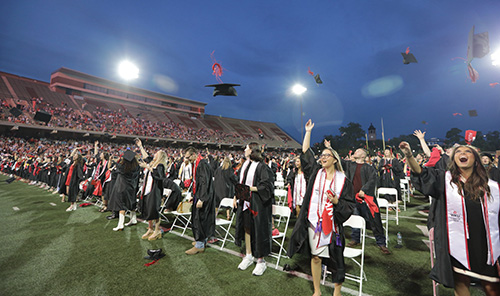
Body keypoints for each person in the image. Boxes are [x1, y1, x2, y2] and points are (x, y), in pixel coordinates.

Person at [400, 141, 500, 295]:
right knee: (461, 283)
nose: (462, 154)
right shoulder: (444, 180)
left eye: (467, 151)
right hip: (458, 243)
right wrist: (409, 155)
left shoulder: (492, 187)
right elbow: (422, 173)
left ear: (476, 159)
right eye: (458, 152)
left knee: (492, 287)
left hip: (486, 245)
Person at [288, 119, 355, 296]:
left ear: (334, 160)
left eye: (327, 155)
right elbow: (305, 152)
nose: (323, 157)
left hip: (333, 225)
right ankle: (317, 290)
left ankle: (337, 291)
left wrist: (336, 202)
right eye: (322, 155)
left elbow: (349, 205)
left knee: (336, 258)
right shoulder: (315, 174)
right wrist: (308, 131)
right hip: (313, 223)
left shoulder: (343, 181)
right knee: (316, 257)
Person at [326, 141, 390, 255]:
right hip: (352, 198)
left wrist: (364, 190)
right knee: (355, 218)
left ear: (363, 156)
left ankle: (381, 243)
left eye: (358, 151)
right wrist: (330, 147)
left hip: (366, 199)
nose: (355, 151)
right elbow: (338, 160)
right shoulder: (350, 165)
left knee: (374, 220)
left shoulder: (369, 168)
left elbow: (372, 180)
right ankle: (355, 239)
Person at [233, 142, 274, 276]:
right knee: (247, 227)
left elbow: (266, 187)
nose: (244, 149)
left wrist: (249, 189)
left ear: (252, 151)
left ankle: (261, 261)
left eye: (247, 148)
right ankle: (249, 255)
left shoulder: (262, 167)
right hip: (245, 201)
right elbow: (240, 182)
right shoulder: (244, 165)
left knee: (258, 229)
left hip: (258, 203)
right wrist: (236, 196)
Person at [184, 146, 216, 255]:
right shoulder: (197, 164)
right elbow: (196, 181)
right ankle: (202, 241)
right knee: (199, 219)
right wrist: (194, 195)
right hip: (199, 195)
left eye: (188, 157)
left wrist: (201, 199)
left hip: (204, 196)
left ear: (194, 154)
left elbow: (204, 183)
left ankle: (200, 244)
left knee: (200, 220)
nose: (187, 160)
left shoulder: (202, 164)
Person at [107, 150, 140, 231]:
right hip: (132, 187)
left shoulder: (122, 167)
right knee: (132, 203)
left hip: (122, 187)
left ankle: (120, 224)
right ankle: (133, 219)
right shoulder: (137, 167)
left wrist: (112, 160)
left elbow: (111, 169)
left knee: (122, 204)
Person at [139, 150, 167, 240]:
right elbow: (146, 157)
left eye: (157, 153)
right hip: (147, 190)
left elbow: (160, 176)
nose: (154, 154)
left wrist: (148, 167)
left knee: (154, 211)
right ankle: (150, 228)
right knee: (148, 210)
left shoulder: (160, 165)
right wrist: (140, 146)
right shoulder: (152, 163)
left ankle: (157, 230)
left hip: (155, 191)